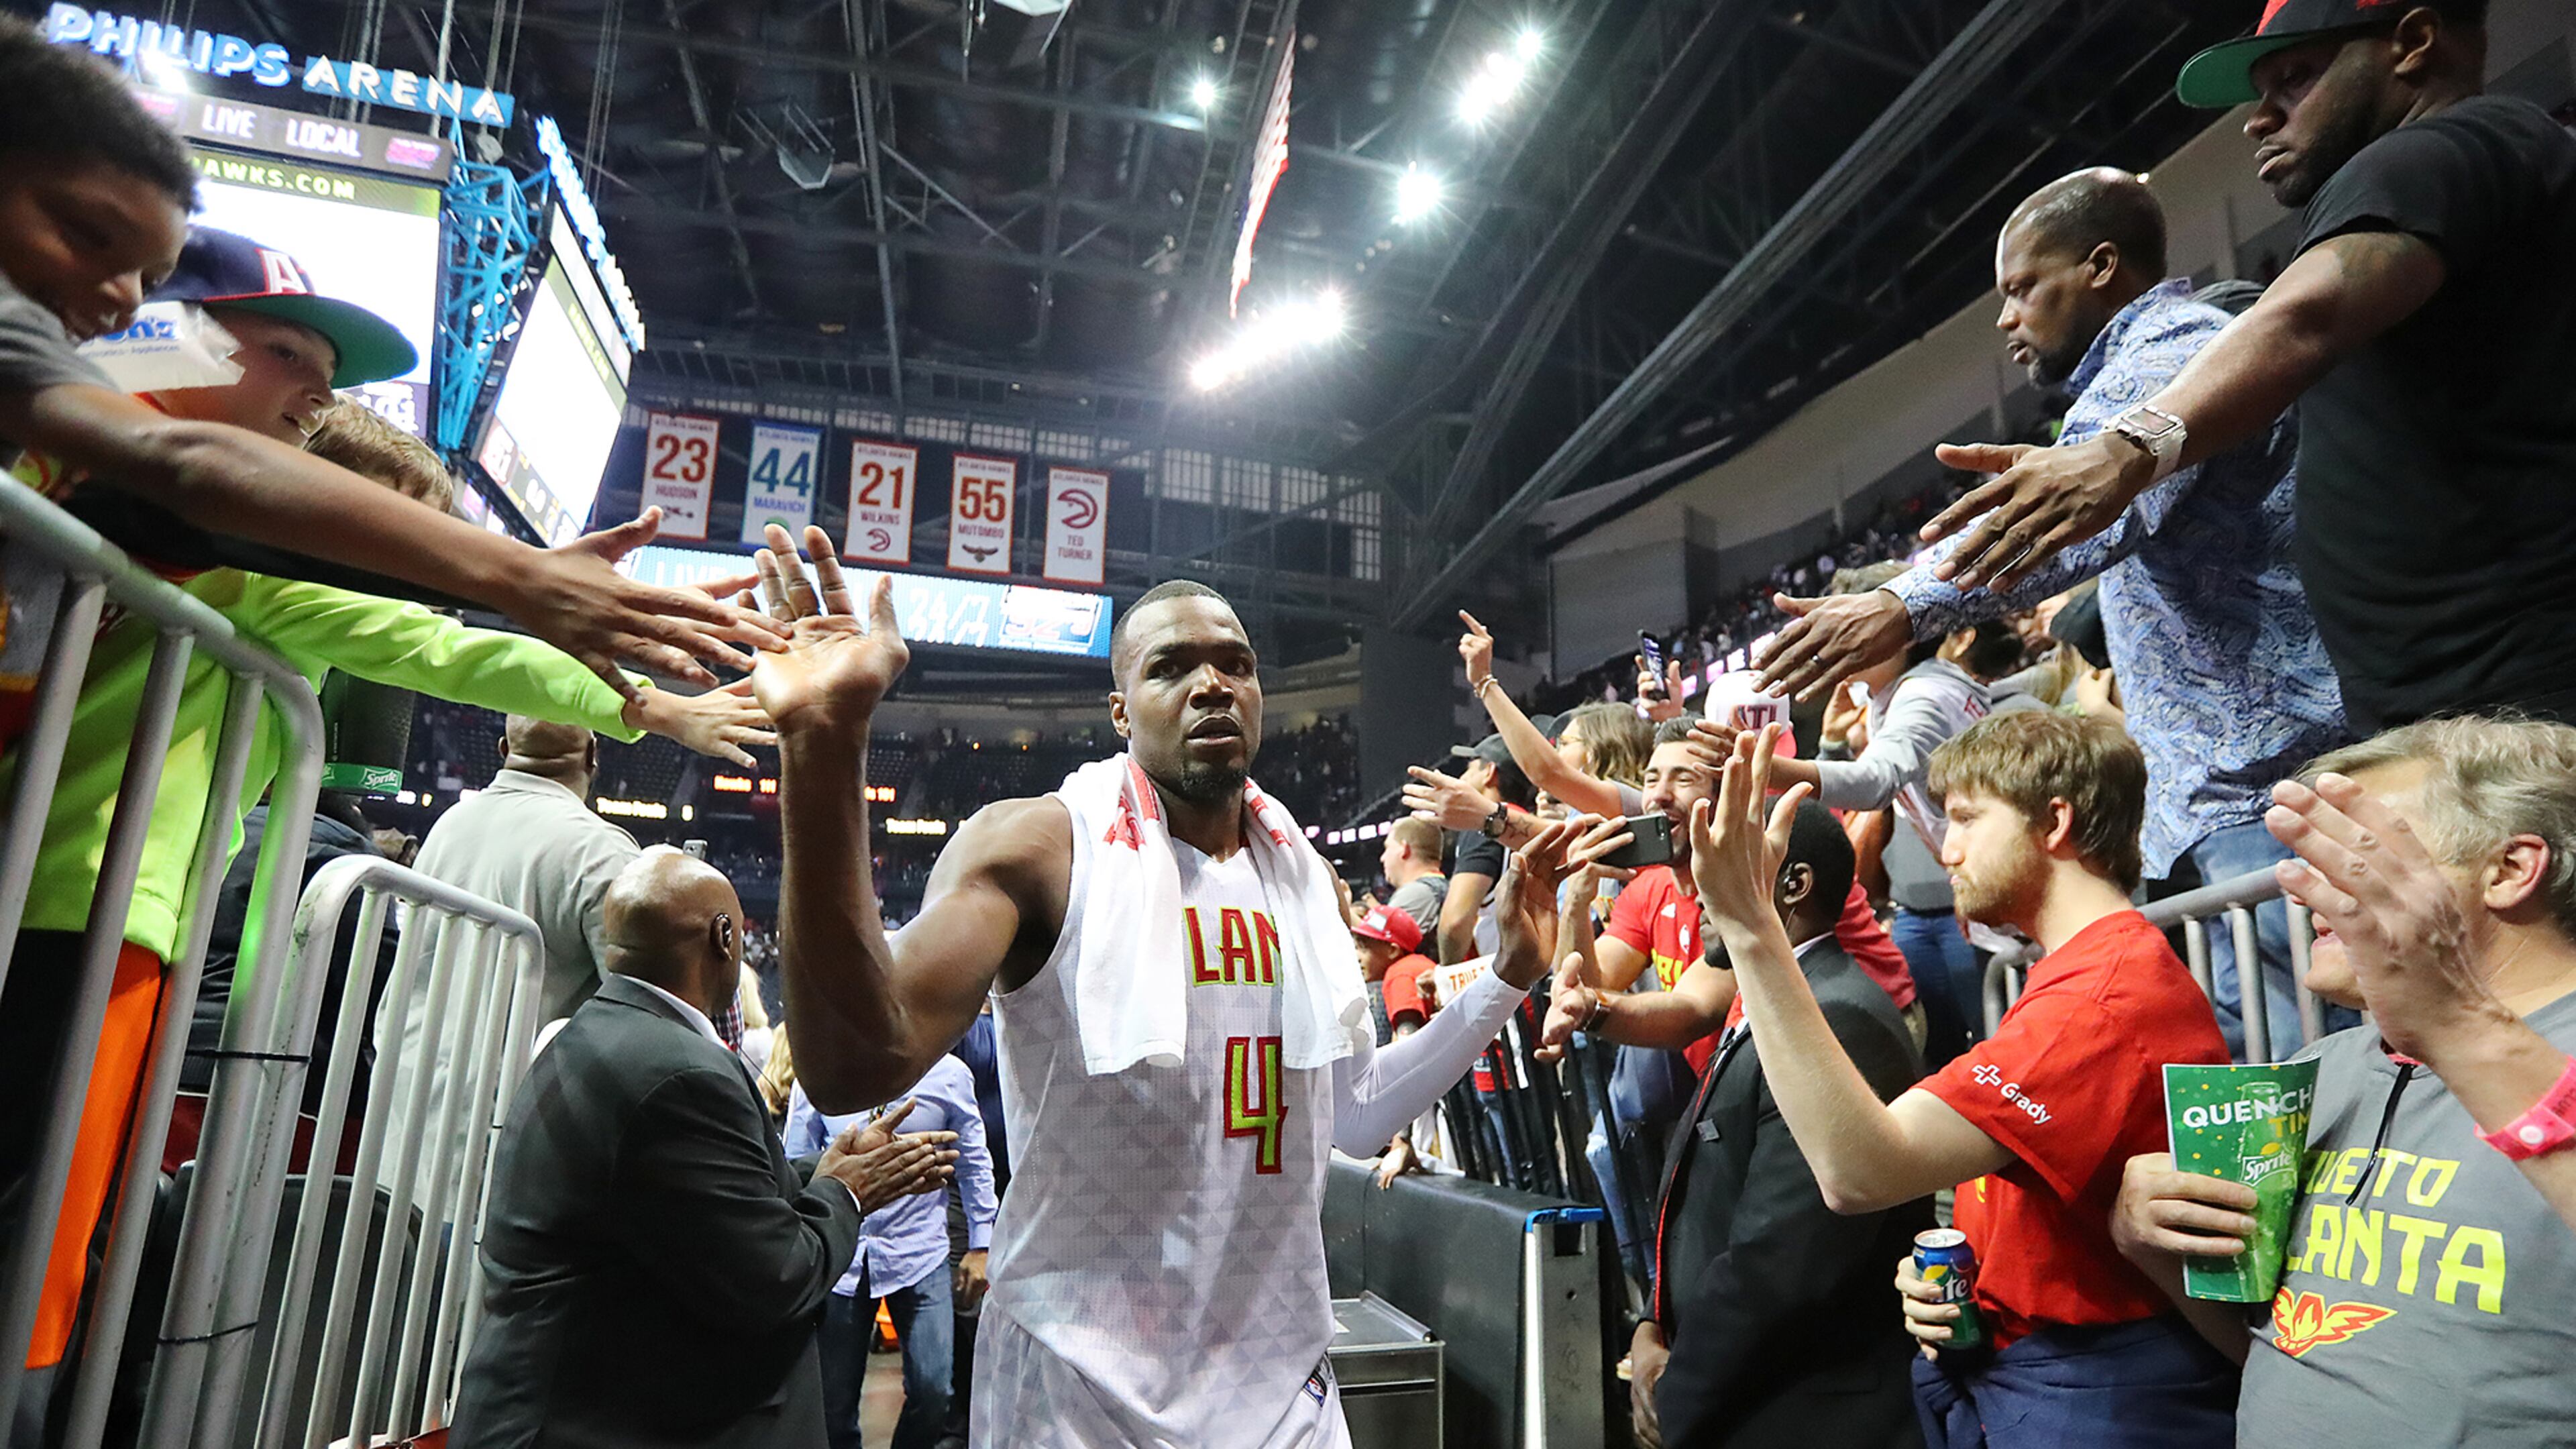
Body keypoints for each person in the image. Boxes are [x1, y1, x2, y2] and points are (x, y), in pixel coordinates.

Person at [0, 324, 759, 1397]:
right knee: (37, 1251)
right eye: (397, 530)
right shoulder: (254, 581)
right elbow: (448, 648)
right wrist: (638, 701)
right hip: (94, 903)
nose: (410, 560)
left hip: (91, 896)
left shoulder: (204, 583)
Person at [744, 537, 1576, 1448]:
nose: (1213, 684)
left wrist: (1506, 980)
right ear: (1120, 710)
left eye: (1236, 664)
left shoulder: (1303, 880)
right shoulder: (1037, 851)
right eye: (1171, 667)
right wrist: (822, 749)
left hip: (1279, 1386)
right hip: (1082, 1390)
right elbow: (853, 1063)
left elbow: (1354, 1113)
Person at [1754, 169, 2352, 1061]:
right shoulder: (2154, 364)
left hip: (2263, 807)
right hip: (2241, 807)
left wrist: (1898, 603)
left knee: (2314, 1094)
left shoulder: (2171, 352)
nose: (2005, 318)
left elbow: (2069, 522)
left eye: (2021, 287)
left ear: (2102, 265)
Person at [0, 18, 775, 692]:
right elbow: (185, 464)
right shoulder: (75, 393)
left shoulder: (102, 478)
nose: (126, 297)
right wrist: (523, 578)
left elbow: (210, 514)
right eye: (86, 233)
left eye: (148, 275)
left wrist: (526, 590)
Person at [1915, 1, 2576, 736]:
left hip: (2517, 708)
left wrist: (2126, 449)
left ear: (2414, 42)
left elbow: (2306, 316)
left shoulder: (2437, 148)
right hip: (2478, 700)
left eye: (2295, 78)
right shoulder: (2480, 169)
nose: (2260, 119)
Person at [1693, 714, 2235, 1447]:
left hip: (2102, 1398)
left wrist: (1753, 930)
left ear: (2055, 822)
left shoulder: (2099, 999)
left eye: (1968, 819)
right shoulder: (2084, 974)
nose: (1946, 850)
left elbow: (1859, 1170)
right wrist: (1963, 1279)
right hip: (2055, 1375)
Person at [2110, 717, 2576, 1445]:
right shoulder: (2314, 1072)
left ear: (2511, 869)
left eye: (2365, 854)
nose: (2302, 894)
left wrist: (2455, 1024)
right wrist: (2154, 1245)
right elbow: (2280, 1347)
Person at [450, 849, 958, 1449]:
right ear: (723, 935)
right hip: (596, 1422)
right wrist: (848, 1192)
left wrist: (822, 1169)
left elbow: (705, 1202)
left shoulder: (599, 1031)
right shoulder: (679, 1074)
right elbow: (778, 1276)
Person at [1624, 800, 1929, 1449]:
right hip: (1750, 1393)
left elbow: (1782, 1263)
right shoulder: (1782, 1000)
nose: (1693, 891)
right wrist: (1652, 1328)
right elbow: (1706, 1202)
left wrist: (1676, 1396)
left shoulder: (1839, 1017)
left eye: (1719, 869)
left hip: (1805, 1414)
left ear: (1792, 884)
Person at [1701, 578, 2007, 1065]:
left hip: (2001, 900)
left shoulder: (1922, 694)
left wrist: (1766, 765)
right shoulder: (1913, 690)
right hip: (1986, 899)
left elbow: (1875, 780)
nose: (1837, 644)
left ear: (1900, 631)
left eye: (1851, 627)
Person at [785, 1057, 998, 1449]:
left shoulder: (948, 1074)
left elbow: (974, 1162)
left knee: (935, 1389)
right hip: (842, 1258)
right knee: (834, 1405)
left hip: (920, 1251)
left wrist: (981, 1243)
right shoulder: (820, 1072)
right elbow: (793, 1164)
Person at [1432, 735, 1540, 964]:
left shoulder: (1485, 825)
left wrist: (1447, 975)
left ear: (1489, 772)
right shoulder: (1526, 823)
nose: (1462, 778)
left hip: (1509, 980)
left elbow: (1455, 922)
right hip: (1532, 971)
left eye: (1469, 769)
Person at [1377, 817, 1448, 941]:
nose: (1382, 858)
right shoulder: (1444, 887)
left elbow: (1375, 949)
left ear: (1404, 849)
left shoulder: (1416, 893)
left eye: (1387, 847)